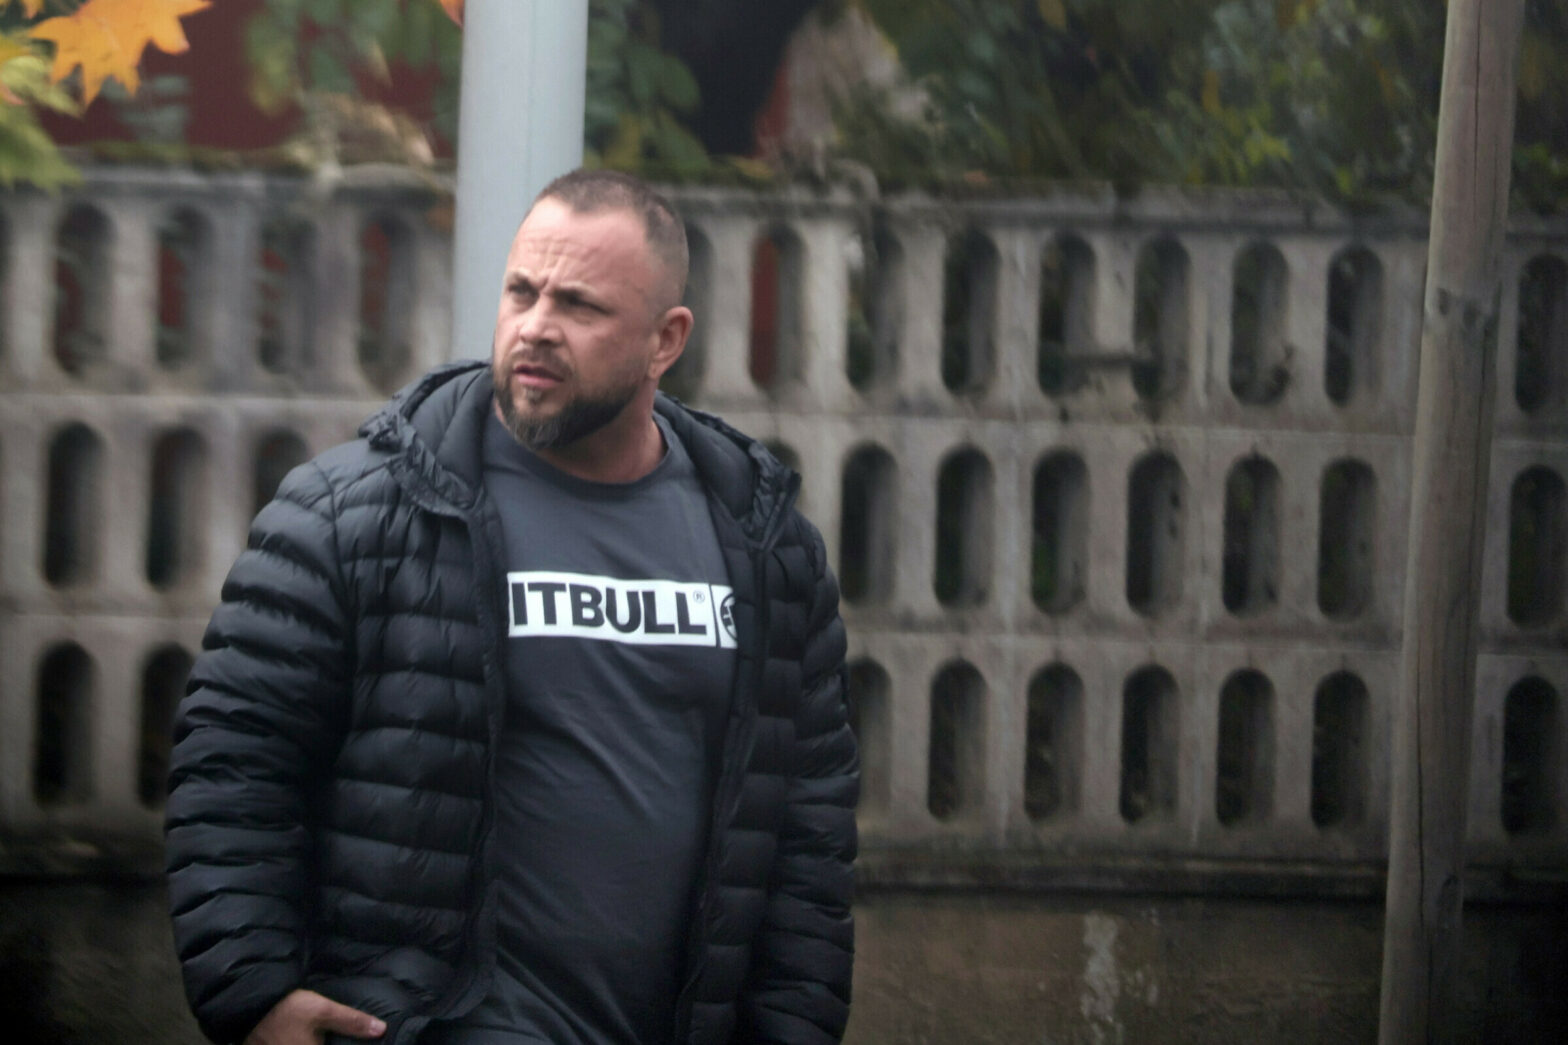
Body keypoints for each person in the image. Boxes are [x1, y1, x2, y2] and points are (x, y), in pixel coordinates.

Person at [165, 169, 858, 1045]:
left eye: (579, 304)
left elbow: (806, 829)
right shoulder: (351, 515)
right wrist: (256, 990)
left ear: (665, 340)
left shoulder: (765, 546)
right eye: (521, 291)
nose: (535, 326)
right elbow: (234, 755)